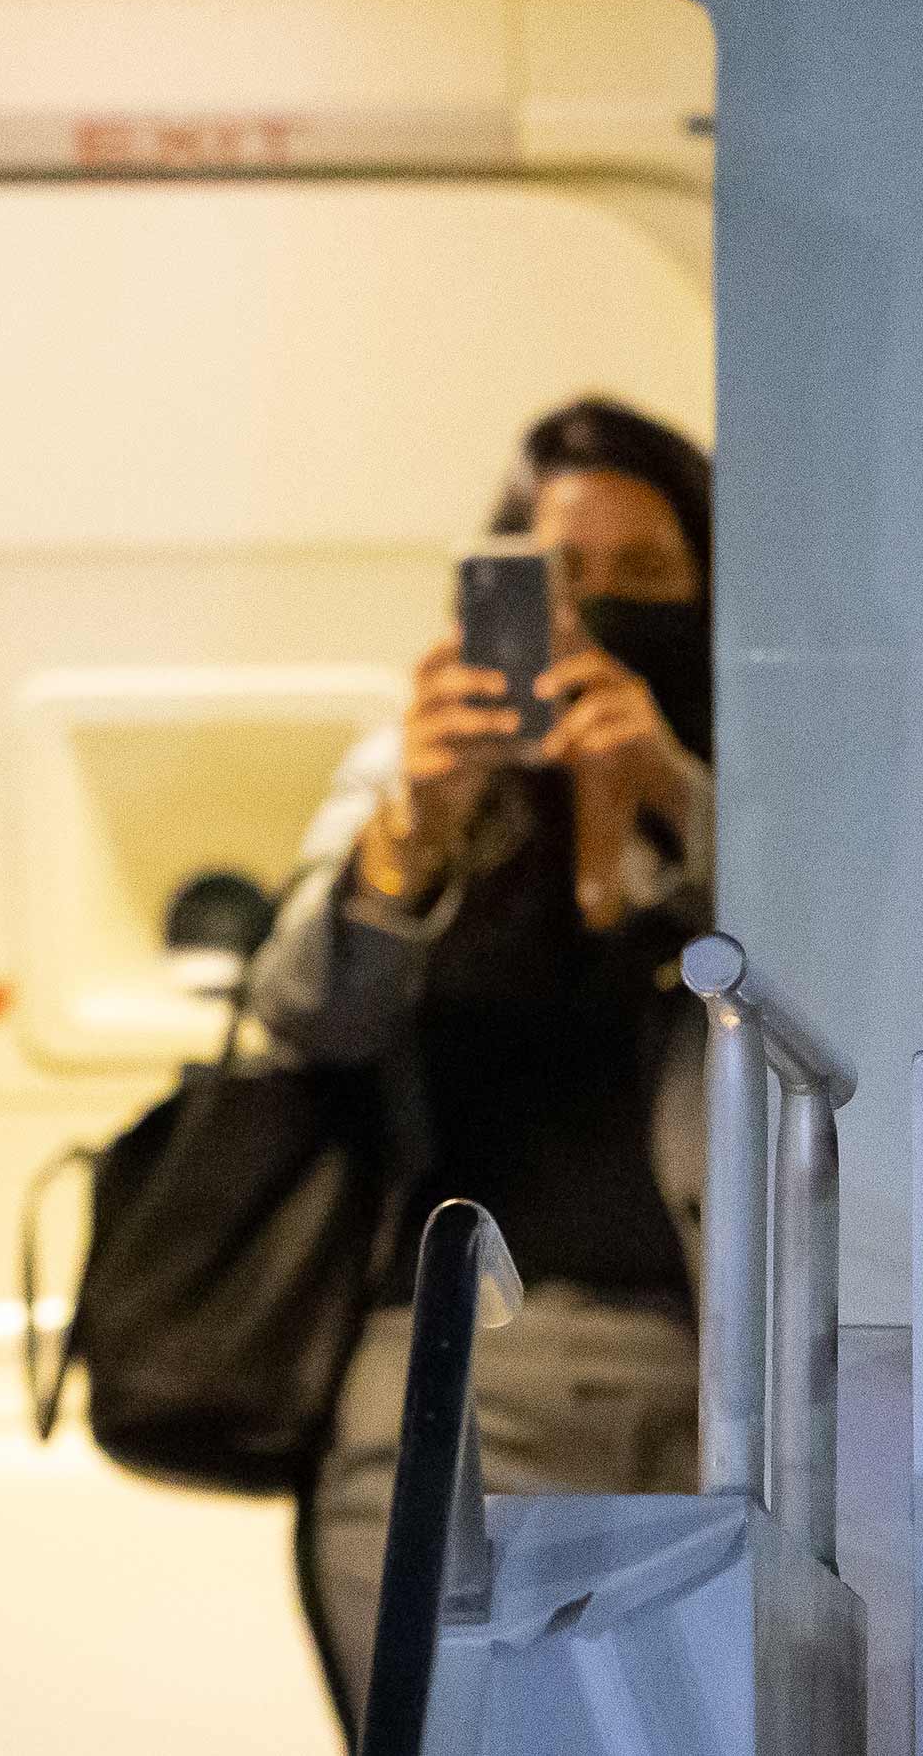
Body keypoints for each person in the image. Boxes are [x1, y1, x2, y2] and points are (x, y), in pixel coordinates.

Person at [246, 396, 716, 1728]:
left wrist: (672, 790)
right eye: (562, 575)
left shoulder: (756, 789)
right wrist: (411, 840)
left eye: (648, 577)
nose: (601, 609)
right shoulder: (411, 768)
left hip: (693, 1395)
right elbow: (297, 1017)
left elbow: (832, 983)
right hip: (445, 1393)